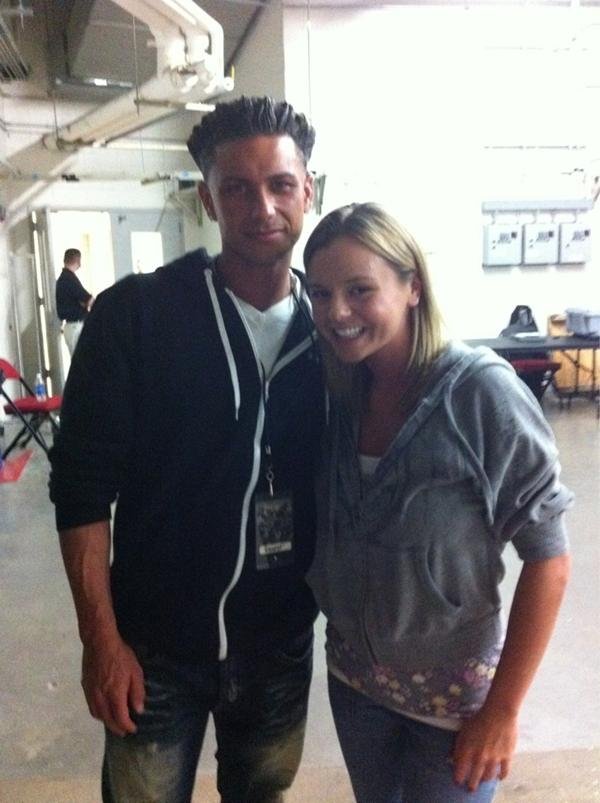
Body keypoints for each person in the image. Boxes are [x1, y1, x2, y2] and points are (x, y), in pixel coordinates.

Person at [49, 96, 325, 803]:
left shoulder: (334, 331)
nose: (262, 206)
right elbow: (81, 491)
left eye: (280, 184)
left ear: (308, 190)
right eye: (237, 188)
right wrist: (101, 641)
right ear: (207, 199)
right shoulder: (137, 316)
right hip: (153, 649)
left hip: (278, 645)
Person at [303, 202, 572, 803]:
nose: (336, 312)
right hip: (355, 686)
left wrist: (502, 711)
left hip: (455, 705)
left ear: (413, 288)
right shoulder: (340, 390)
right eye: (320, 293)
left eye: (359, 290)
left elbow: (549, 559)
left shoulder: (479, 393)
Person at [55, 248, 94, 355]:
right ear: (77, 261)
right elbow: (89, 300)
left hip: (70, 326)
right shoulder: (69, 279)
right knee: (84, 360)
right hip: (75, 326)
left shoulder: (62, 280)